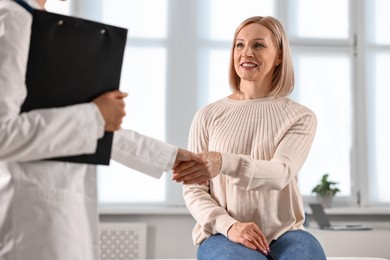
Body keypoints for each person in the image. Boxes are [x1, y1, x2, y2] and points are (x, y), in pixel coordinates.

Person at [0, 0, 205, 259]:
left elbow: (93, 131)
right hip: (30, 216)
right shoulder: (11, 18)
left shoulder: (43, 23)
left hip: (60, 210)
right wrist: (95, 115)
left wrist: (169, 157)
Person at [173, 16, 327, 259]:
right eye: (239, 45)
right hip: (223, 235)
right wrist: (229, 226)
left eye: (258, 45)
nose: (246, 53)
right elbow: (194, 189)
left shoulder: (301, 117)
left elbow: (280, 172)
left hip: (285, 233)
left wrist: (224, 162)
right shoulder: (208, 115)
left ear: (279, 55)